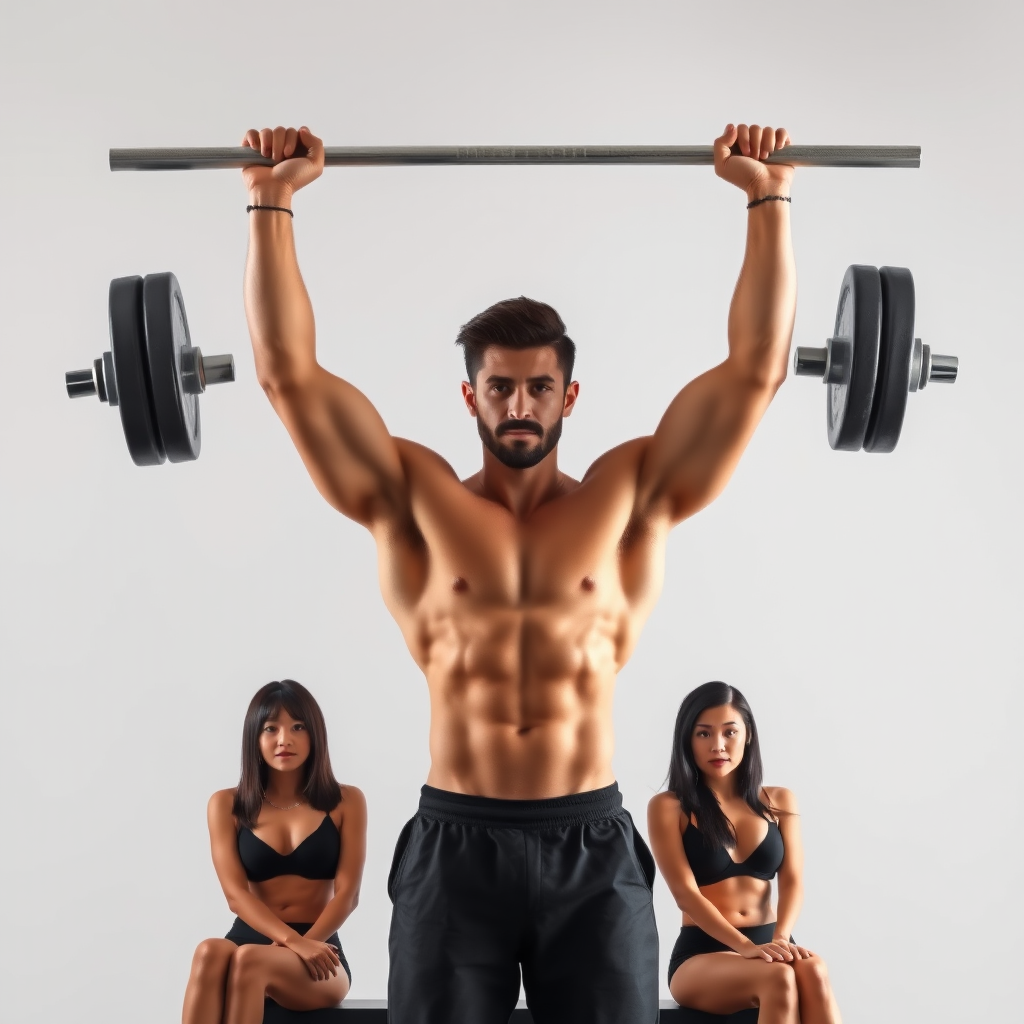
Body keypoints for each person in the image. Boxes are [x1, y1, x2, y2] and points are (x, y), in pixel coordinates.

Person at [239, 121, 795, 1024]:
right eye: (500, 387)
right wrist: (273, 202)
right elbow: (287, 378)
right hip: (458, 839)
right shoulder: (412, 496)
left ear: (569, 394)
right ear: (471, 396)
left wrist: (765, 198)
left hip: (593, 840)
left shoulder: (631, 493)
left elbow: (756, 372)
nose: (521, 405)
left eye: (540, 387)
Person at [647, 681, 841, 1024]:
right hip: (702, 953)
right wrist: (744, 947)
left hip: (772, 942)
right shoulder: (669, 807)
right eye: (703, 734)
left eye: (729, 732)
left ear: (747, 735)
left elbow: (793, 880)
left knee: (815, 971)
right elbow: (686, 896)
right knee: (779, 978)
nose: (718, 745)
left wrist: (781, 937)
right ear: (687, 740)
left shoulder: (778, 801)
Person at [181, 679, 367, 1024]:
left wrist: (304, 945)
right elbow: (236, 896)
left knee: (251, 960)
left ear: (315, 735)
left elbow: (348, 896)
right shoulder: (227, 805)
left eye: (298, 727)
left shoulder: (346, 801)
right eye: (271, 728)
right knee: (209, 951)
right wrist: (290, 941)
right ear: (255, 739)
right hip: (249, 938)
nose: (285, 739)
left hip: (321, 947)